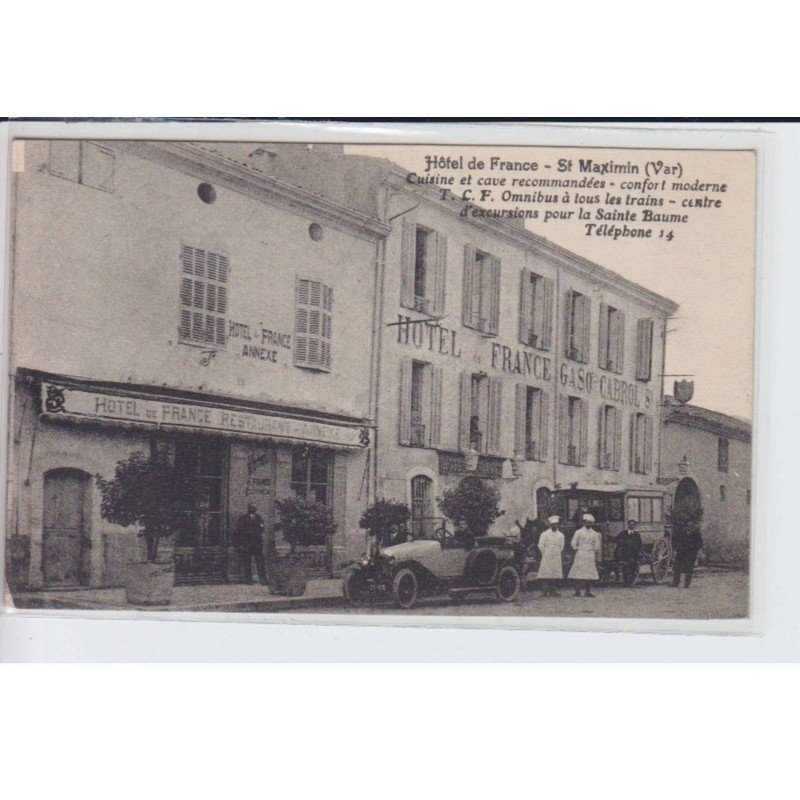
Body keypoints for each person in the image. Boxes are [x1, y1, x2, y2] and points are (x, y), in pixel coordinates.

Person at [233, 503, 268, 585]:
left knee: (260, 561)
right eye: (252, 507)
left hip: (257, 543)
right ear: (248, 508)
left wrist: (257, 531)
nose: (253, 509)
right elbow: (240, 530)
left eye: (255, 508)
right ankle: (248, 579)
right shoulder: (243, 518)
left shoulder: (259, 518)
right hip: (247, 543)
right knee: (247, 562)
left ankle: (263, 579)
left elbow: (262, 528)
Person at [569, 513, 602, 597]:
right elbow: (573, 542)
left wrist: (593, 549)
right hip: (580, 553)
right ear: (583, 523)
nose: (588, 524)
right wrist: (577, 548)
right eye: (587, 522)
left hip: (590, 554)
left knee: (589, 573)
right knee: (578, 572)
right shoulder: (578, 532)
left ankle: (588, 591)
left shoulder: (594, 533)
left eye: (590, 523)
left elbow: (597, 544)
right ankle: (577, 591)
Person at [537, 515, 565, 597]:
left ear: (558, 524)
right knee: (545, 573)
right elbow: (540, 545)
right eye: (553, 524)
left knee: (555, 573)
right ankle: (544, 591)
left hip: (556, 555)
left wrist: (556, 552)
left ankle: (553, 591)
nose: (554, 526)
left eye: (556, 524)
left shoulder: (560, 535)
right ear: (550, 525)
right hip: (547, 555)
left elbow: (561, 546)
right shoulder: (544, 534)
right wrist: (546, 553)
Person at [672, 522, 704, 587]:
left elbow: (700, 543)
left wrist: (694, 549)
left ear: (692, 528)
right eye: (687, 527)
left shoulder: (696, 534)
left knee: (689, 569)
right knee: (677, 568)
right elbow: (675, 541)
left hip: (691, 554)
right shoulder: (681, 533)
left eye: (689, 527)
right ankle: (675, 583)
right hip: (681, 553)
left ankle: (687, 584)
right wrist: (677, 548)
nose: (688, 529)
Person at [611, 520, 643, 585]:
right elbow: (617, 539)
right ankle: (625, 580)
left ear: (635, 526)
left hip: (633, 553)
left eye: (633, 524)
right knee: (625, 566)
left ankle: (631, 580)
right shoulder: (623, 533)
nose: (632, 526)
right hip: (624, 552)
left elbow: (639, 543)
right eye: (630, 524)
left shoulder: (637, 535)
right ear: (628, 525)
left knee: (632, 567)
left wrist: (636, 549)